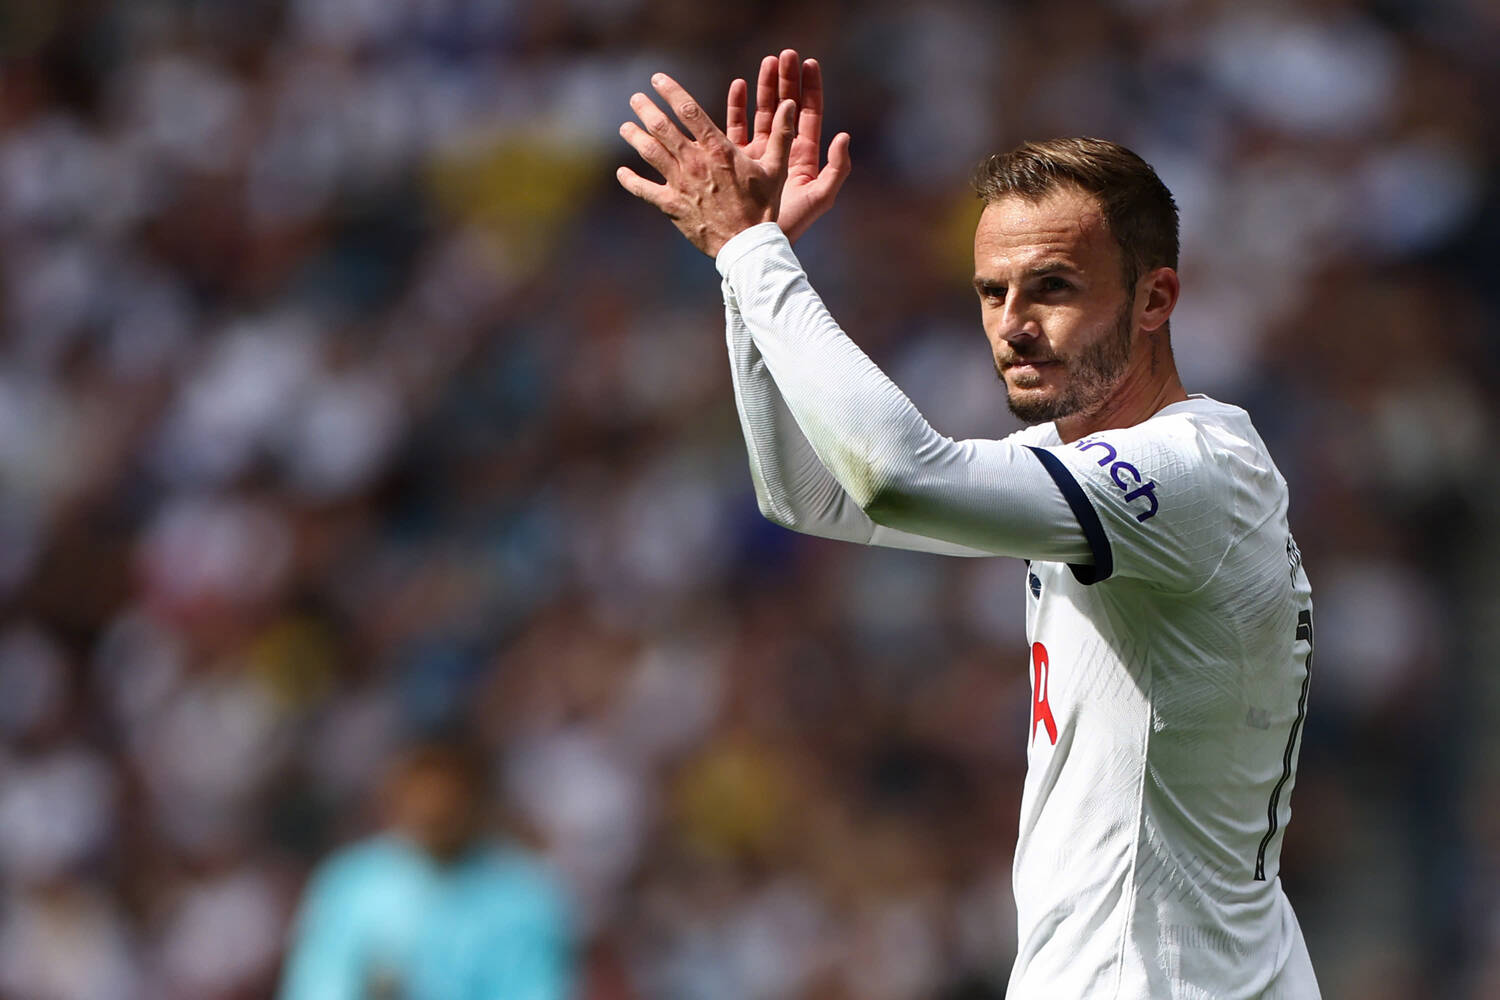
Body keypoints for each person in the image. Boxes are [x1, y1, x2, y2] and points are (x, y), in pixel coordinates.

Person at [617, 49, 1320, 999]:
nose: (1013, 324)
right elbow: (809, 496)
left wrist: (750, 251)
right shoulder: (1095, 482)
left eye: (1054, 288)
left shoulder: (1185, 472)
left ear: (1155, 298)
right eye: (994, 293)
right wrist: (750, 275)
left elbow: (896, 475)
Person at [277, 739, 575, 1000]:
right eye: (423, 799)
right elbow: (318, 983)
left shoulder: (524, 898)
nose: (434, 811)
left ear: (478, 802)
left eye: (447, 803)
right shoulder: (351, 882)